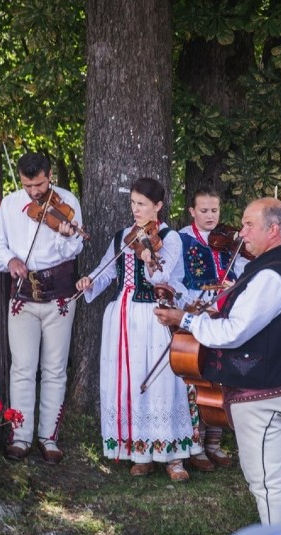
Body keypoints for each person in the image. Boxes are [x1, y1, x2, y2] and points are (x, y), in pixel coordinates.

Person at [154, 197, 281, 525]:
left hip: (265, 394)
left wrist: (185, 319)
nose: (241, 232)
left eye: (249, 225)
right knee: (267, 482)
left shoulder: (272, 275)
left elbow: (232, 333)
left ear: (273, 229)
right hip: (275, 387)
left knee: (267, 484)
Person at [75, 177, 195, 482]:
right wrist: (89, 280)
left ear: (158, 206)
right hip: (122, 316)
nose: (135, 209)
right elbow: (104, 272)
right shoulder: (121, 237)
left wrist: (148, 257)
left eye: (141, 204)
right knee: (129, 382)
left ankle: (173, 455)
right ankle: (139, 451)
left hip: (153, 315)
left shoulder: (169, 238)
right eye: (133, 203)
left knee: (162, 381)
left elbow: (164, 277)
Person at [0, 152, 83, 464]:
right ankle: (21, 436)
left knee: (54, 369)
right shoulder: (11, 204)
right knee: (23, 368)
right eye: (28, 186)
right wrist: (10, 260)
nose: (35, 192)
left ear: (49, 175)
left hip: (60, 295)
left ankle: (48, 438)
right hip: (24, 296)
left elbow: (74, 248)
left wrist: (65, 235)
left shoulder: (68, 201)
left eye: (39, 184)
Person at [178, 187, 247, 470]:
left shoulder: (229, 241)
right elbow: (175, 278)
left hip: (225, 312)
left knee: (222, 376)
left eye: (214, 211)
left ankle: (214, 442)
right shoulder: (181, 239)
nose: (209, 216)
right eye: (203, 211)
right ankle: (196, 444)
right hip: (197, 311)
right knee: (198, 376)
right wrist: (192, 302)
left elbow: (242, 270)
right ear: (192, 211)